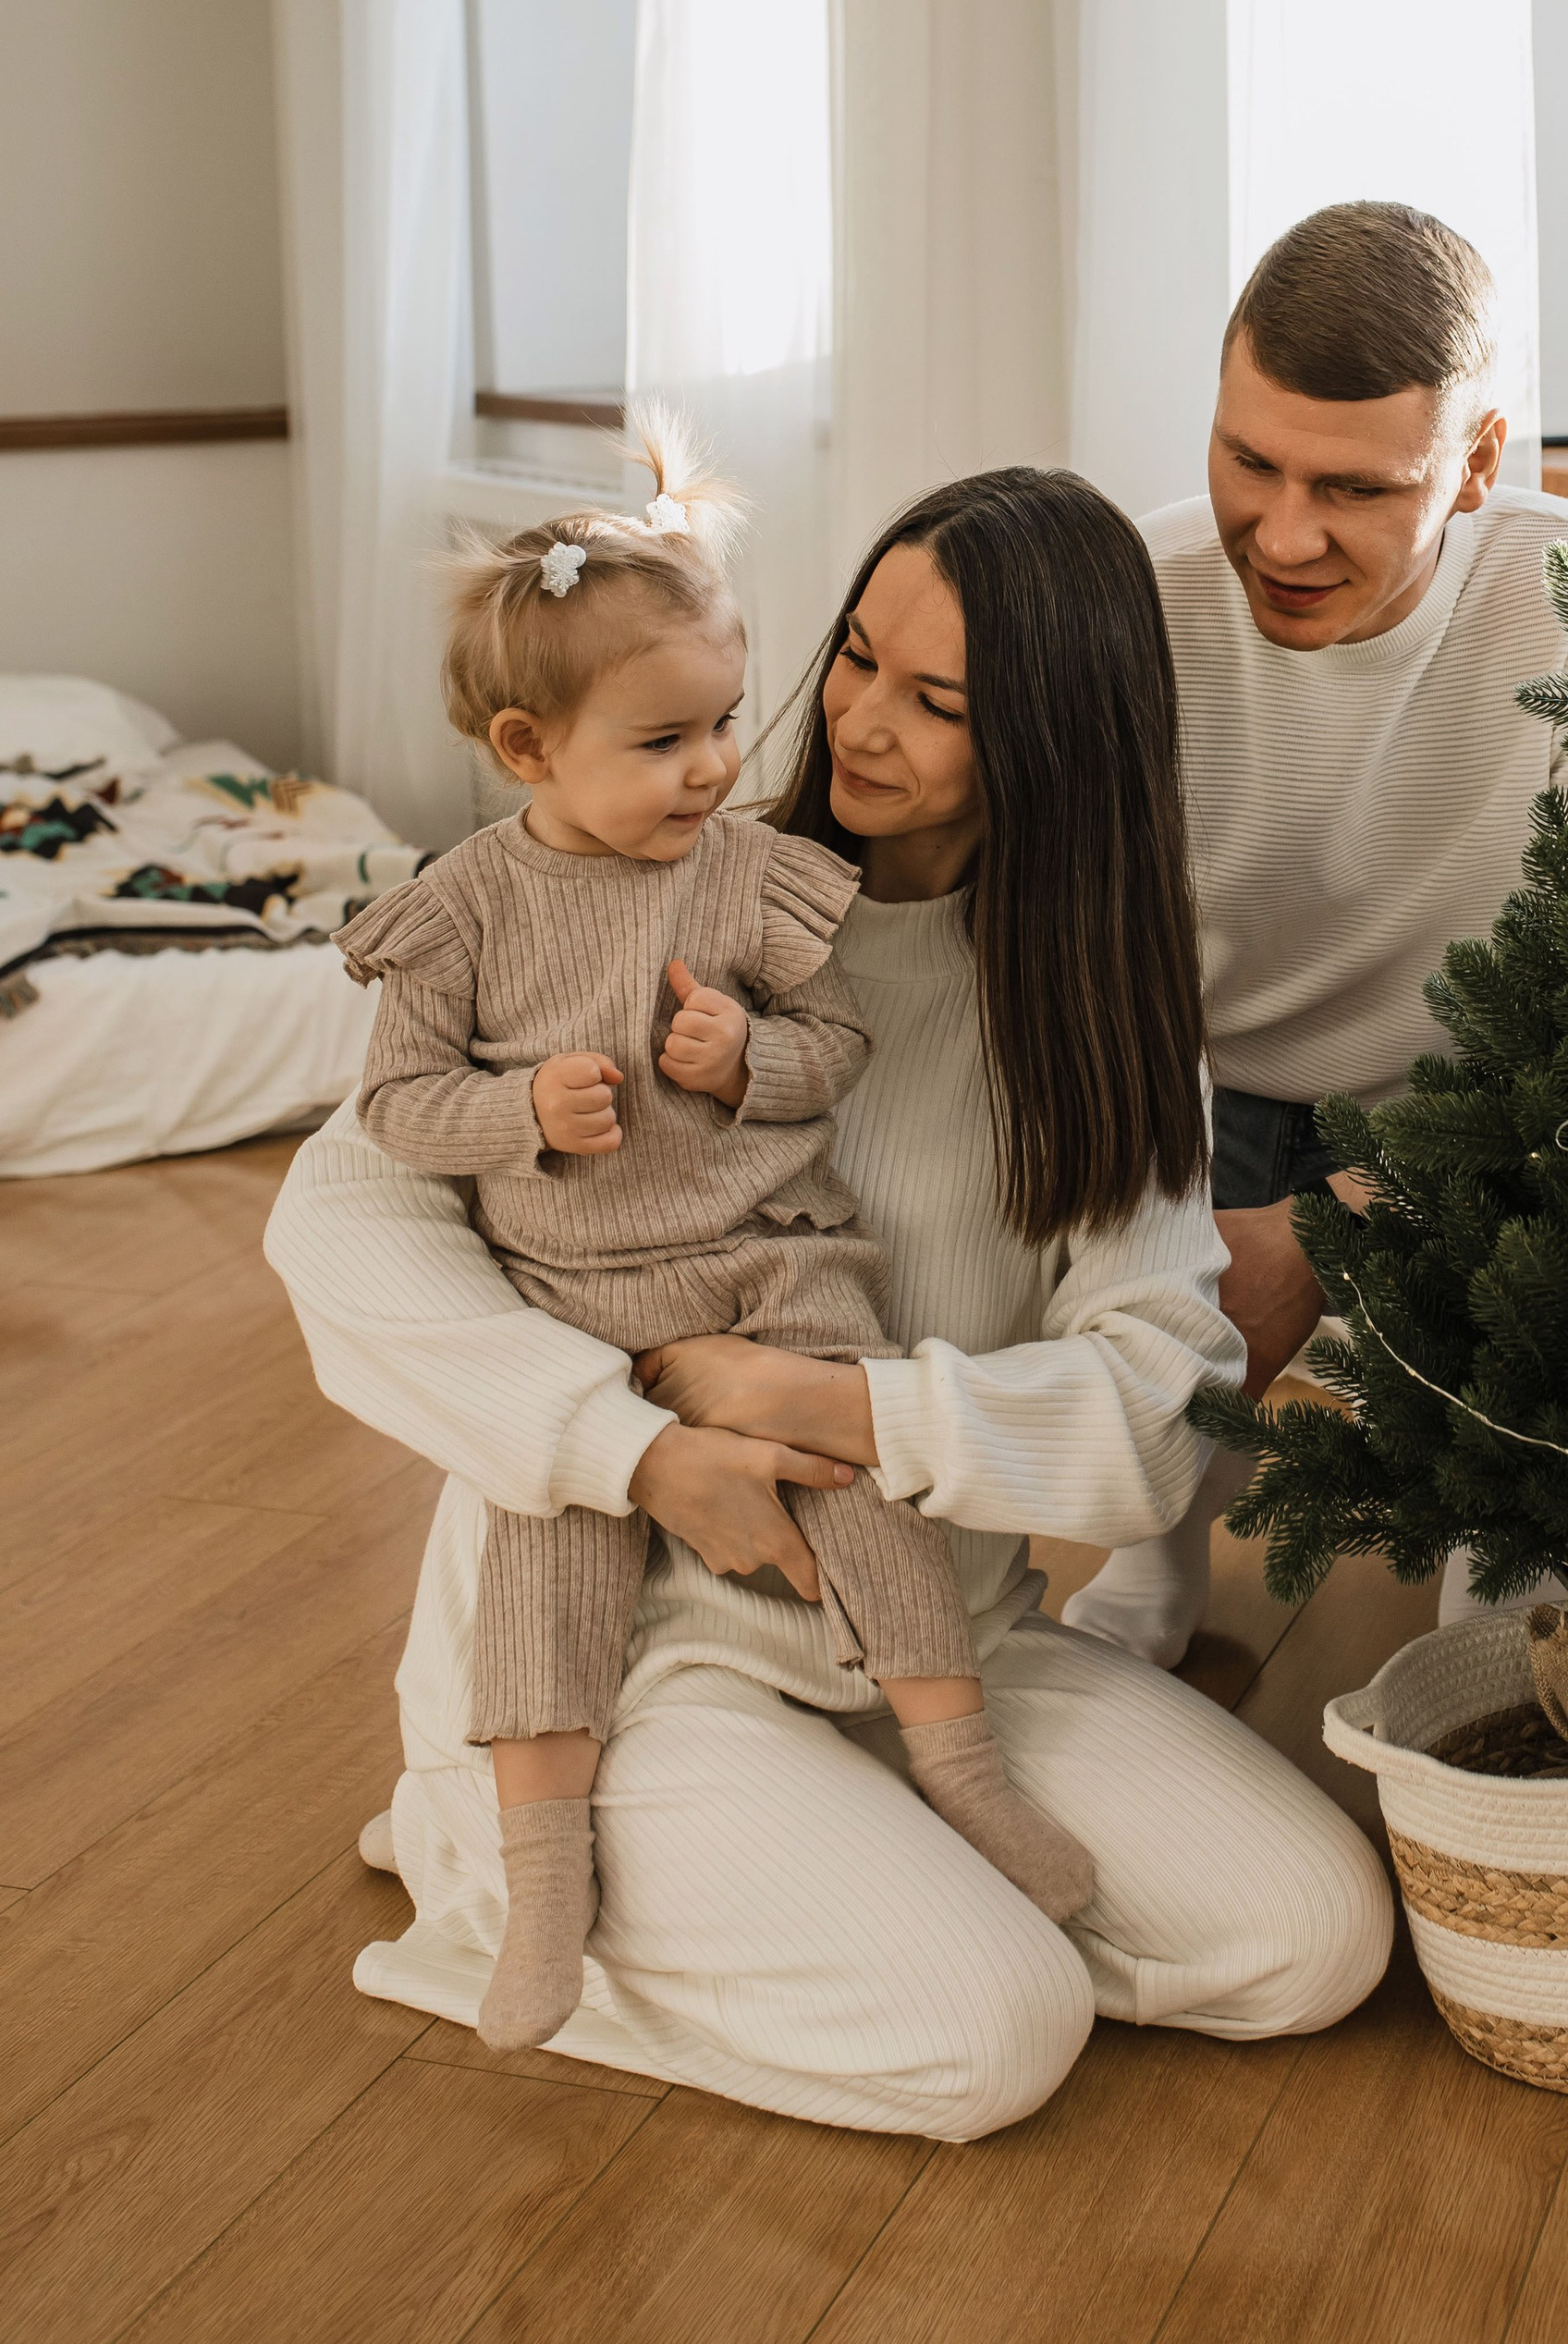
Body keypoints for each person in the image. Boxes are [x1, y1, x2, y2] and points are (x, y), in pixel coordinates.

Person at [267, 466, 1392, 2139]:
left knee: (1316, 1943)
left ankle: (849, 1859)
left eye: (938, 702)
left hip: (946, 1638)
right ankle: (490, 1858)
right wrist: (633, 1449)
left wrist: (826, 1404)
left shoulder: (1097, 1012)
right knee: (994, 2040)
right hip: (631, 1656)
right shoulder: (657, 888)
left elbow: (1160, 1406)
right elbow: (338, 1226)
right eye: (858, 656)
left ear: (1060, 748)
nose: (859, 724)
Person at [337, 434, 1091, 2057]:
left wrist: (746, 1063)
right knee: (550, 1561)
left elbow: (835, 1054)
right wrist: (520, 1113)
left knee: (866, 1478)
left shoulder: (753, 879)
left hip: (764, 1266)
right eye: (667, 738)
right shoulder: (464, 911)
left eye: (727, 722)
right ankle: (538, 1882)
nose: (716, 766)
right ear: (530, 748)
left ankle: (956, 1771)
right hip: (579, 1306)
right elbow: (396, 1111)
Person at [1061, 203, 1568, 1668]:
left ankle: (1498, 1629)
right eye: (1248, 460)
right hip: (1200, 1088)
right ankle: (1148, 1561)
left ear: (1474, 465)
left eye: (1354, 488)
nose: (1282, 536)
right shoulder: (1136, 596)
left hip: (1480, 1107)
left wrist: (1336, 1220)